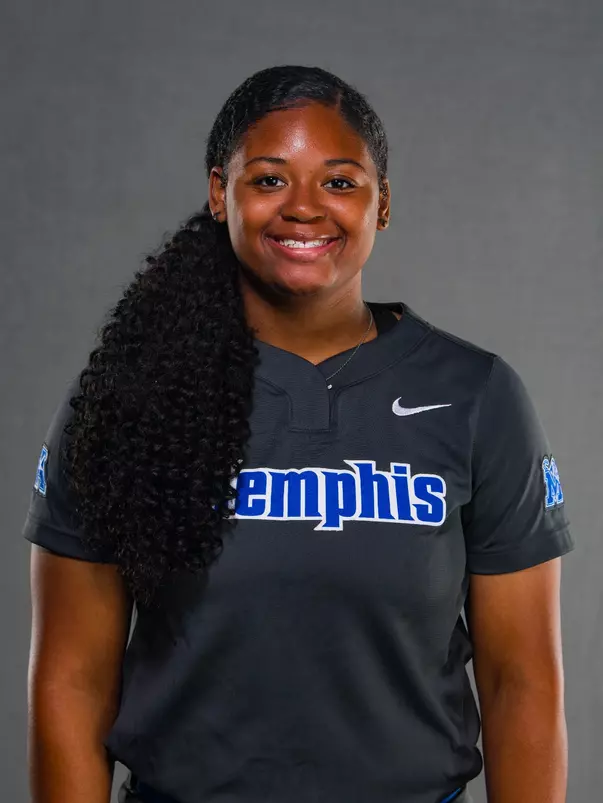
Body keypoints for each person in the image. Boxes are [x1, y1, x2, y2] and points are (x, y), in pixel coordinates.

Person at [23, 65, 574, 803]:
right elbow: (71, 679)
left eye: (341, 182)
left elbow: (521, 681)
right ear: (221, 193)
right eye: (270, 180)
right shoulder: (129, 393)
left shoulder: (473, 394)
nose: (305, 209)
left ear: (382, 205)